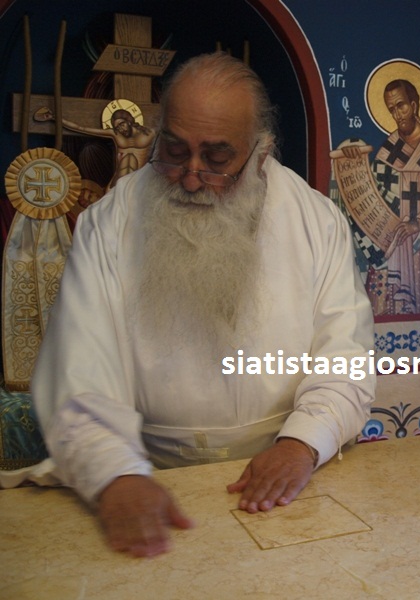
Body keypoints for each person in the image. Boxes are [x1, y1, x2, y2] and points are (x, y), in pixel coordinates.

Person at [31, 52, 376, 558]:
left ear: (260, 152)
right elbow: (78, 371)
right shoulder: (109, 223)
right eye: (174, 151)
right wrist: (115, 473)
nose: (190, 178)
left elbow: (345, 360)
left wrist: (302, 443)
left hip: (289, 475)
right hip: (148, 477)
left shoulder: (316, 221)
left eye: (216, 160)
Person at [340, 79, 420, 315]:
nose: (397, 114)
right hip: (392, 249)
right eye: (391, 109)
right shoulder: (389, 150)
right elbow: (372, 198)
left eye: (401, 106)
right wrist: (352, 161)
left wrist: (417, 223)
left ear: (414, 105)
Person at [36, 106, 156, 189]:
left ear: (129, 121)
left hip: (138, 183)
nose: (120, 129)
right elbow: (81, 128)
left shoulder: (149, 133)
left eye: (121, 124)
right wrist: (55, 117)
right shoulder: (115, 134)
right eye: (117, 127)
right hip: (117, 183)